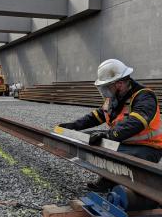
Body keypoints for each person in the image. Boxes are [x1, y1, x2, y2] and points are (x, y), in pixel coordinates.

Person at [57, 59, 162, 192]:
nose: (104, 91)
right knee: (87, 140)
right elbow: (98, 115)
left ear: (119, 84)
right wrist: (73, 126)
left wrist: (108, 135)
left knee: (113, 153)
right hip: (124, 141)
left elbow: (136, 122)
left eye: (106, 86)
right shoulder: (113, 98)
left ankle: (141, 190)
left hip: (147, 147)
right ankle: (108, 180)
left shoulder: (144, 96)